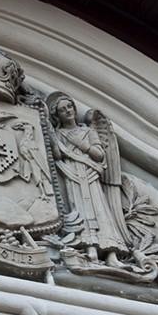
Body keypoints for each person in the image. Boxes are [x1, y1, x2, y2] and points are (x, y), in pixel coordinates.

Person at [47, 92, 128, 262]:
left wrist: (81, 144)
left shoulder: (88, 131)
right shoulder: (60, 134)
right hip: (73, 176)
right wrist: (52, 137)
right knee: (80, 210)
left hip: (90, 175)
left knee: (99, 210)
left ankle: (111, 253)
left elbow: (99, 155)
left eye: (69, 106)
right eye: (62, 110)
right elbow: (57, 156)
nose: (68, 111)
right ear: (58, 116)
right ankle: (89, 248)